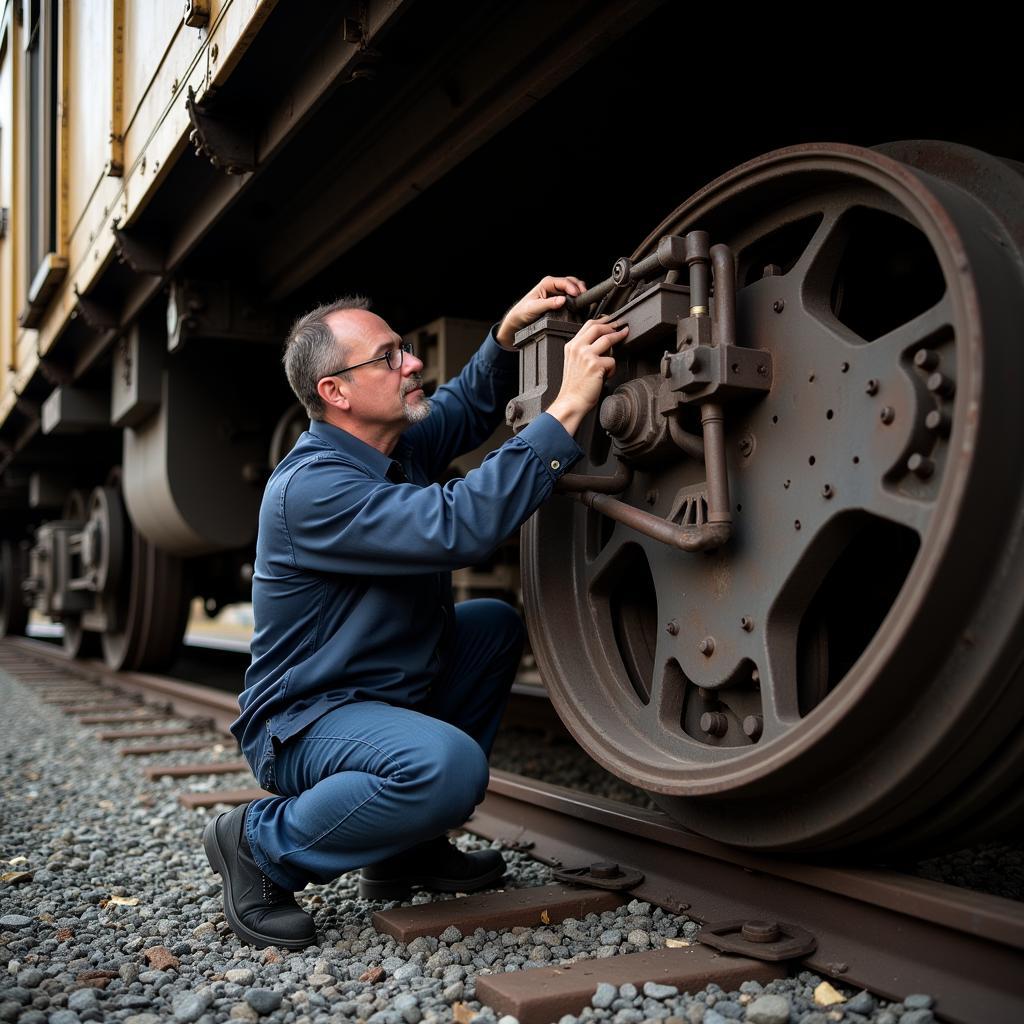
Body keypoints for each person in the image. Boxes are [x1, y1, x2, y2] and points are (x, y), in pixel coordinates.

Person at [203, 276, 627, 949]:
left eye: (403, 349)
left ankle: (404, 849)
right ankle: (258, 845)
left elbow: (459, 407)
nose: (412, 363)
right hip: (308, 719)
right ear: (335, 393)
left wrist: (503, 337)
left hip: (381, 695)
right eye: (389, 357)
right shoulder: (312, 489)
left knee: (488, 627)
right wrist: (569, 405)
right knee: (447, 769)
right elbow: (459, 526)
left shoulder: (392, 446)